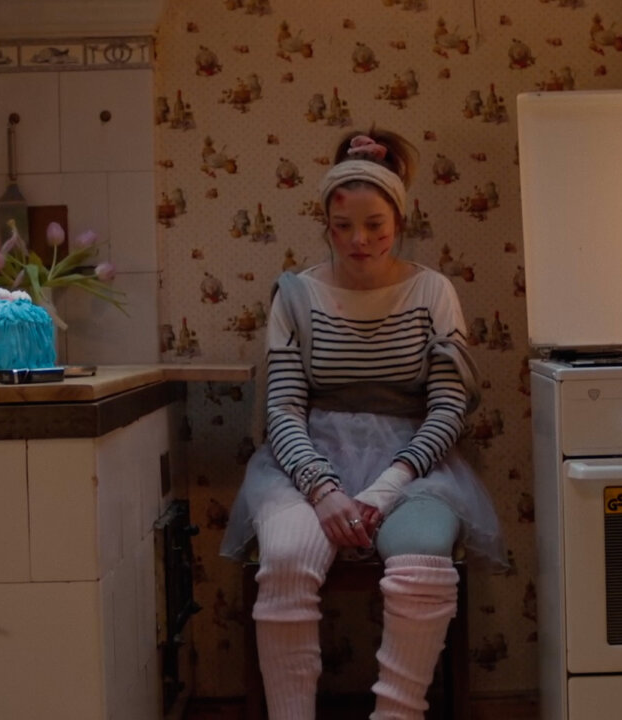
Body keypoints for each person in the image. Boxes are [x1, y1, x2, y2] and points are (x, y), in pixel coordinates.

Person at [220, 128, 506, 719]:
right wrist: (323, 490)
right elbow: (282, 409)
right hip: (308, 460)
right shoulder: (296, 295)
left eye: (375, 224)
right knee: (287, 560)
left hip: (413, 465)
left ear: (398, 220)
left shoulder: (432, 291)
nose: (359, 240)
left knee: (422, 561)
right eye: (343, 226)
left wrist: (386, 487)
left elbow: (447, 407)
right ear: (326, 224)